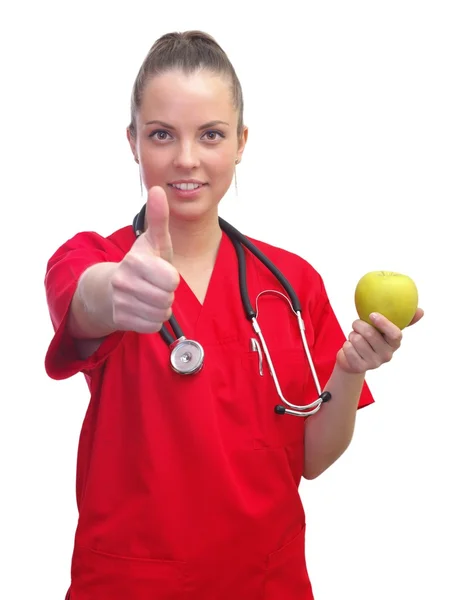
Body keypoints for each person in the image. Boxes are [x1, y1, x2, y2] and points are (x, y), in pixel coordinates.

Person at [44, 30, 424, 600]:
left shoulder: (290, 285)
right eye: (162, 135)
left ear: (242, 141)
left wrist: (350, 372)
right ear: (133, 141)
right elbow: (84, 299)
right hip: (131, 582)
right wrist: (115, 293)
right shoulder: (96, 259)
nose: (187, 158)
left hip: (265, 582)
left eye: (212, 134)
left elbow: (311, 460)